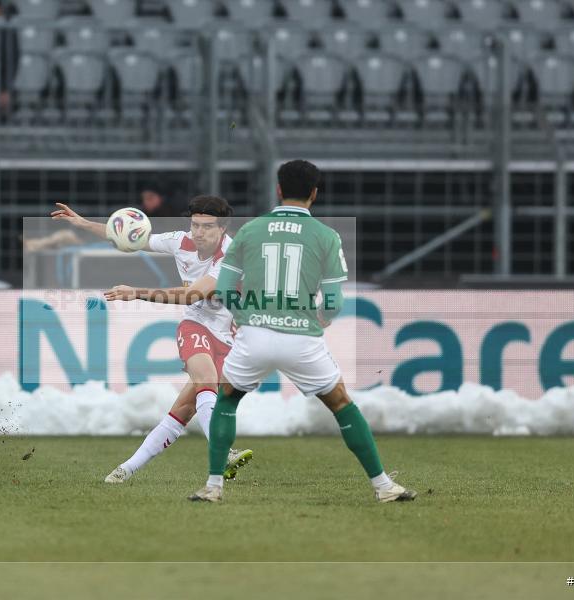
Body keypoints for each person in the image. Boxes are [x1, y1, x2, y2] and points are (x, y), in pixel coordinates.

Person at [188, 160, 417, 504]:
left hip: (255, 334)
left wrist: (245, 317)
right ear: (314, 193)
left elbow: (222, 287)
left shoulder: (250, 231)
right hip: (302, 338)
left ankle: (214, 486)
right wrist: (321, 319)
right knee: (341, 404)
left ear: (278, 190)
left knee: (228, 399)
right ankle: (383, 486)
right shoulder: (326, 236)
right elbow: (335, 301)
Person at [51, 197, 253, 483]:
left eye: (207, 227)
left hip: (228, 336)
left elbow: (193, 293)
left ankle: (125, 469)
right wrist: (83, 223)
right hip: (195, 325)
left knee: (183, 409)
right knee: (206, 379)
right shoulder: (180, 241)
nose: (198, 232)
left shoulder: (230, 256)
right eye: (195, 225)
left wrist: (137, 292)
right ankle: (224, 451)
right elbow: (129, 237)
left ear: (222, 229)